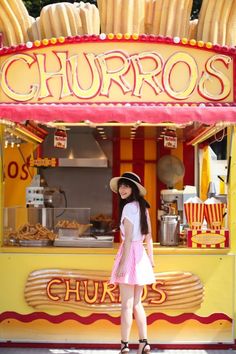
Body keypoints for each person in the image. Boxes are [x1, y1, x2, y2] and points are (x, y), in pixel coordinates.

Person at [109, 172, 155, 354]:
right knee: (137, 304)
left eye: (126, 186)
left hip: (129, 256)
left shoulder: (128, 208)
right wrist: (151, 260)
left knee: (127, 305)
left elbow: (127, 239)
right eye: (121, 186)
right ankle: (144, 343)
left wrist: (122, 265)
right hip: (141, 256)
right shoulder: (143, 207)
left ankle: (124, 345)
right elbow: (149, 238)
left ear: (134, 189)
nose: (122, 189)